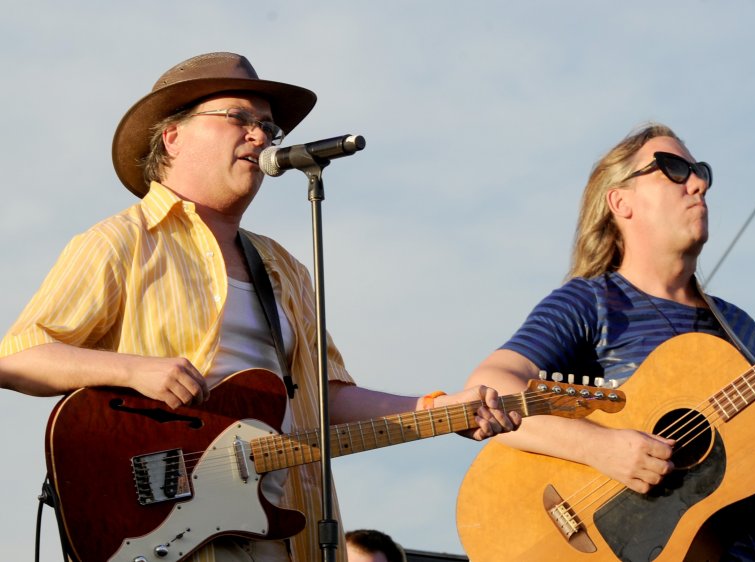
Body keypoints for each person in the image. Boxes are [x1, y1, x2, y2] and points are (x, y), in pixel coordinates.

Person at [0, 52, 519, 562]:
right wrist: (135, 370)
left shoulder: (285, 267)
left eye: (268, 127)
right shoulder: (121, 242)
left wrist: (440, 410)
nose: (260, 136)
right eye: (239, 119)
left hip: (290, 525)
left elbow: (327, 398)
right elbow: (19, 358)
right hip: (166, 532)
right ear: (172, 137)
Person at [464, 123, 755, 561]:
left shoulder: (738, 326)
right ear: (620, 202)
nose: (698, 182)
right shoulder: (591, 303)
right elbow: (493, 387)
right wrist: (601, 447)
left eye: (699, 171)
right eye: (673, 169)